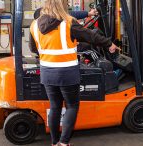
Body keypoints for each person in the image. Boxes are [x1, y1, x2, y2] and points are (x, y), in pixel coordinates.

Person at [29, 0, 120, 146]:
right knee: (71, 106)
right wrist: (109, 43)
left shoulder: (35, 24)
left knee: (54, 106)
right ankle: (64, 142)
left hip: (47, 71)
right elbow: (91, 35)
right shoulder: (68, 22)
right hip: (67, 72)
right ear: (63, 5)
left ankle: (54, 142)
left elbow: (34, 49)